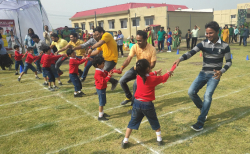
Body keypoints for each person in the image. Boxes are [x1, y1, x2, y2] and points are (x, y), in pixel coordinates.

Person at [173, 21, 232, 131]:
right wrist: (180, 58)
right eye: (207, 33)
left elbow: (229, 62)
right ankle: (203, 109)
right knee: (191, 92)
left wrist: (222, 71)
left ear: (217, 32)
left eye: (211, 33)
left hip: (214, 75)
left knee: (207, 96)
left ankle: (200, 122)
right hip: (203, 73)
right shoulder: (203, 43)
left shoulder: (225, 46)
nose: (208, 35)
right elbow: (191, 52)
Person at [121, 59, 173, 149]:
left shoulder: (138, 77)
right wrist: (169, 73)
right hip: (147, 105)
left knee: (132, 122)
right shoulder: (152, 79)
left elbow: (147, 75)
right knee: (154, 121)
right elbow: (163, 78)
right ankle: (159, 140)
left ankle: (125, 141)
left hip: (137, 103)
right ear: (148, 68)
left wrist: (155, 72)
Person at [118, 30, 157, 114]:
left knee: (136, 85)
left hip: (145, 72)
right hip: (136, 69)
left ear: (146, 39)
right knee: (122, 80)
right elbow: (128, 59)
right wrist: (122, 67)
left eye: (140, 40)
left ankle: (134, 107)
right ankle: (129, 97)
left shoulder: (152, 49)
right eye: (137, 40)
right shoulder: (135, 46)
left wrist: (145, 69)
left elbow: (153, 64)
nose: (137, 42)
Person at [87, 26, 119, 91]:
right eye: (95, 35)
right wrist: (87, 55)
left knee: (101, 75)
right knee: (102, 74)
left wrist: (91, 48)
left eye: (97, 34)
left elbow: (99, 44)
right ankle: (114, 81)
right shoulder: (101, 40)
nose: (96, 36)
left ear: (101, 33)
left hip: (111, 59)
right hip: (104, 60)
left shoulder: (106, 35)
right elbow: (97, 51)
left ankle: (100, 90)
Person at [93, 56, 113, 121]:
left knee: (103, 101)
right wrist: (109, 76)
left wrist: (109, 73)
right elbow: (103, 81)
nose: (104, 65)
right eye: (102, 63)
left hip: (103, 88)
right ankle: (100, 116)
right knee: (101, 102)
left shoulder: (101, 70)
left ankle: (102, 113)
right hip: (100, 88)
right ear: (98, 65)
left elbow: (105, 73)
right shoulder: (98, 73)